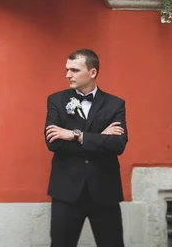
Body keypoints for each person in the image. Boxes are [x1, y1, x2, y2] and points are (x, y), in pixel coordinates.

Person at [44, 49, 128, 247]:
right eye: (67, 69)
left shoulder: (115, 104)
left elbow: (117, 145)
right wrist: (99, 139)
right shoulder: (56, 100)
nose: (67, 75)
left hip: (104, 190)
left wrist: (75, 136)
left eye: (74, 70)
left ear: (92, 72)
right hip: (66, 192)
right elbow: (53, 142)